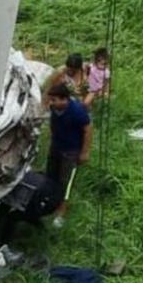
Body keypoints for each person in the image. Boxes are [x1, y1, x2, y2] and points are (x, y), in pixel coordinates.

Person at [46, 83, 92, 227]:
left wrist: (84, 152)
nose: (51, 103)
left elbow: (88, 129)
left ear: (64, 99)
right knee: (51, 176)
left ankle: (61, 212)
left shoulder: (77, 111)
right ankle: (49, 204)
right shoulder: (54, 109)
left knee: (65, 182)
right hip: (56, 147)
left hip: (71, 151)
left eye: (54, 100)